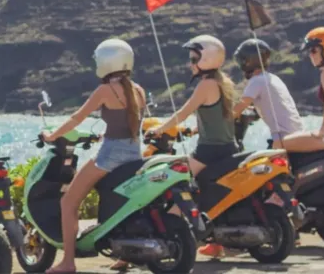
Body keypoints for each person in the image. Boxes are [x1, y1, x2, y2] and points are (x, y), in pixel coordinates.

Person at [42, 38, 145, 274]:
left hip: (110, 156)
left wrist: (52, 135)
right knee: (121, 201)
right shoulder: (138, 89)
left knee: (68, 202)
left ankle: (68, 262)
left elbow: (77, 118)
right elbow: (131, 125)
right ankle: (124, 257)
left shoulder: (105, 90)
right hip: (134, 154)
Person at [145, 35, 239, 258]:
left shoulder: (205, 85)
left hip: (208, 152)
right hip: (228, 148)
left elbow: (183, 112)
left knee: (170, 180)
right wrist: (195, 130)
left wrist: (158, 130)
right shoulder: (222, 82)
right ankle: (212, 239)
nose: (190, 64)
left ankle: (171, 228)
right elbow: (215, 118)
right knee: (204, 190)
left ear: (205, 60)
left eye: (193, 59)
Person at [232, 38, 304, 148]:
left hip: (282, 138)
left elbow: (237, 109)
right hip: (296, 135)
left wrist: (216, 125)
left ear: (249, 61)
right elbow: (270, 106)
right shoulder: (272, 78)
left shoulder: (256, 81)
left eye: (242, 60)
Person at [283, 27, 324, 152]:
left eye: (314, 50)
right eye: (309, 51)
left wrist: (322, 131)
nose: (310, 55)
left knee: (281, 144)